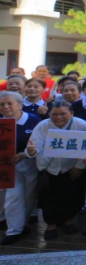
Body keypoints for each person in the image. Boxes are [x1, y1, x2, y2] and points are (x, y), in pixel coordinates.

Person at [25, 101, 86, 240]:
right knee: (49, 197)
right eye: (54, 114)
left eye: (63, 114)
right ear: (49, 114)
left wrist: (79, 166)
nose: (58, 117)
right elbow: (34, 146)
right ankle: (51, 225)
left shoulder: (81, 125)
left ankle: (68, 221)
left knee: (74, 195)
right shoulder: (43, 125)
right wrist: (31, 151)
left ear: (71, 114)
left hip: (73, 166)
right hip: (49, 167)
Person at [0, 92, 41, 246]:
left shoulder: (33, 120)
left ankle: (21, 225)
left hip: (31, 164)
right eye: (2, 104)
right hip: (8, 166)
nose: (5, 107)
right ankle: (14, 231)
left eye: (9, 103)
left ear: (20, 104)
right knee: (13, 198)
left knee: (29, 197)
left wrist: (27, 153)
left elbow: (41, 142)